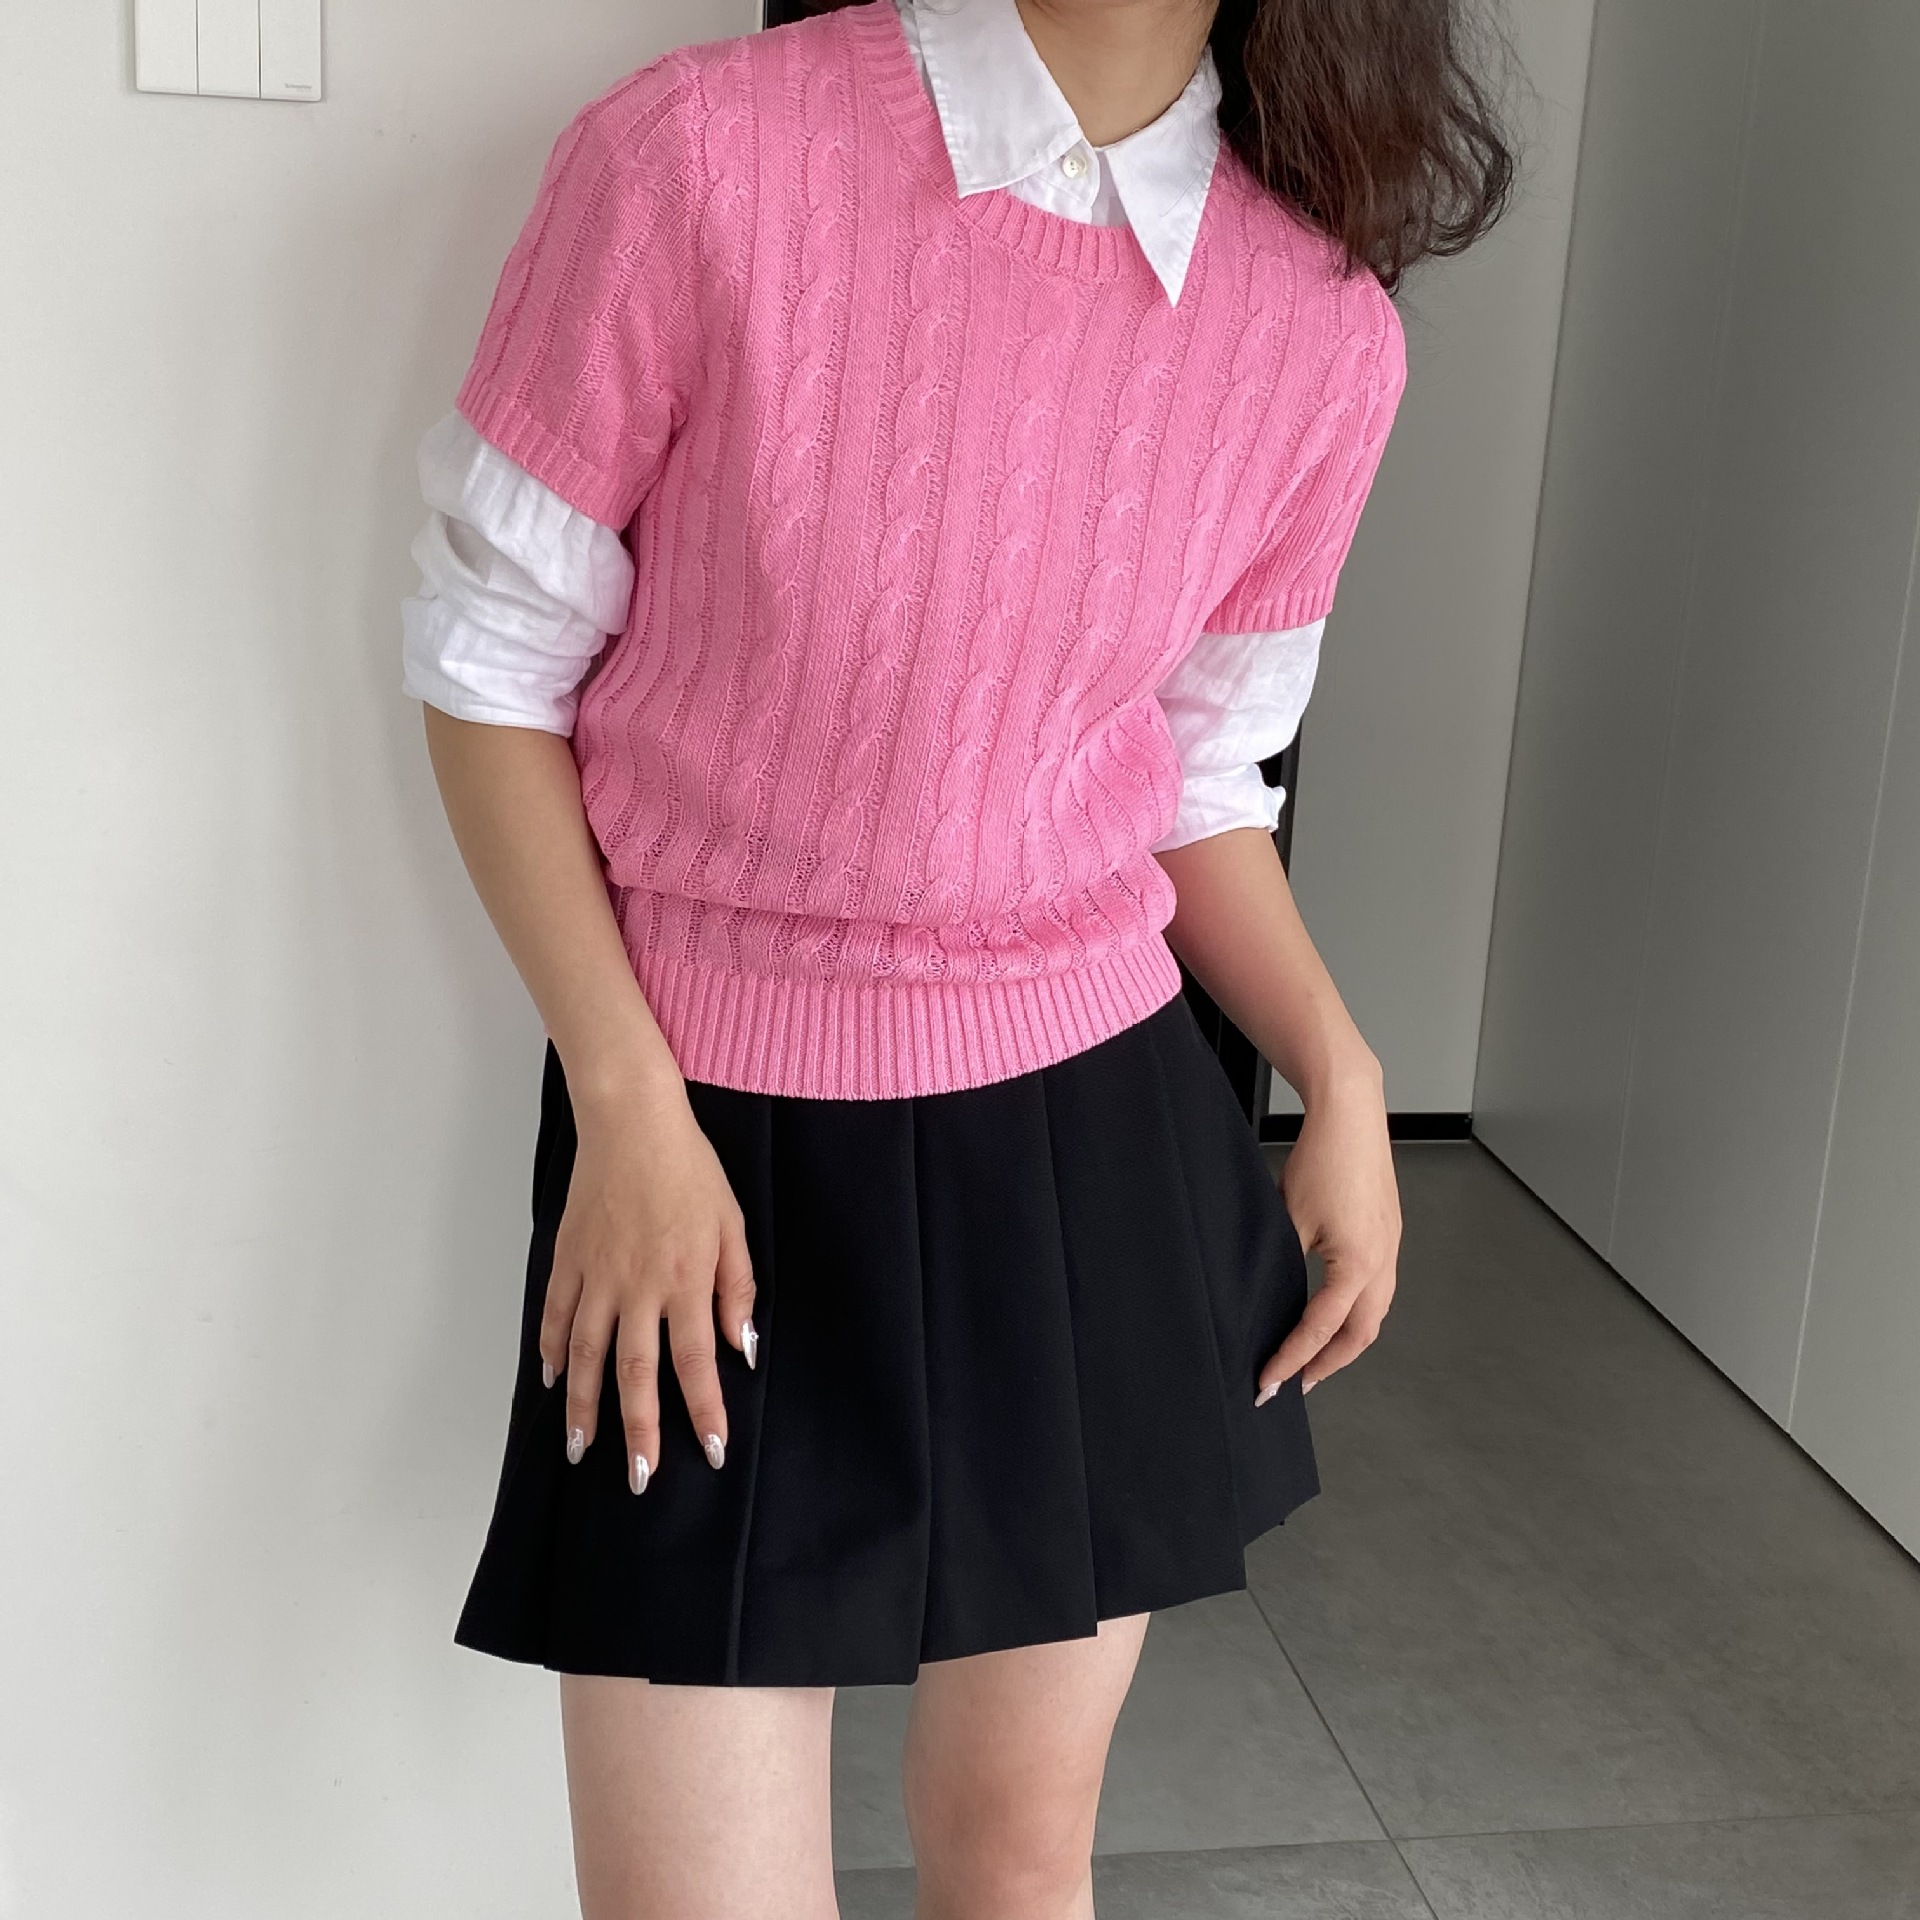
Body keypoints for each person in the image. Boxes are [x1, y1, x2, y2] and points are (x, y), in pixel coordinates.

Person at [401, 0, 1512, 1912]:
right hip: (705, 1146)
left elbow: (1197, 775)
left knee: (1016, 1864)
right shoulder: (697, 160)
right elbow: (490, 671)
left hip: (1089, 1156)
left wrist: (1338, 1070)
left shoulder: (1323, 329)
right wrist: (630, 1109)